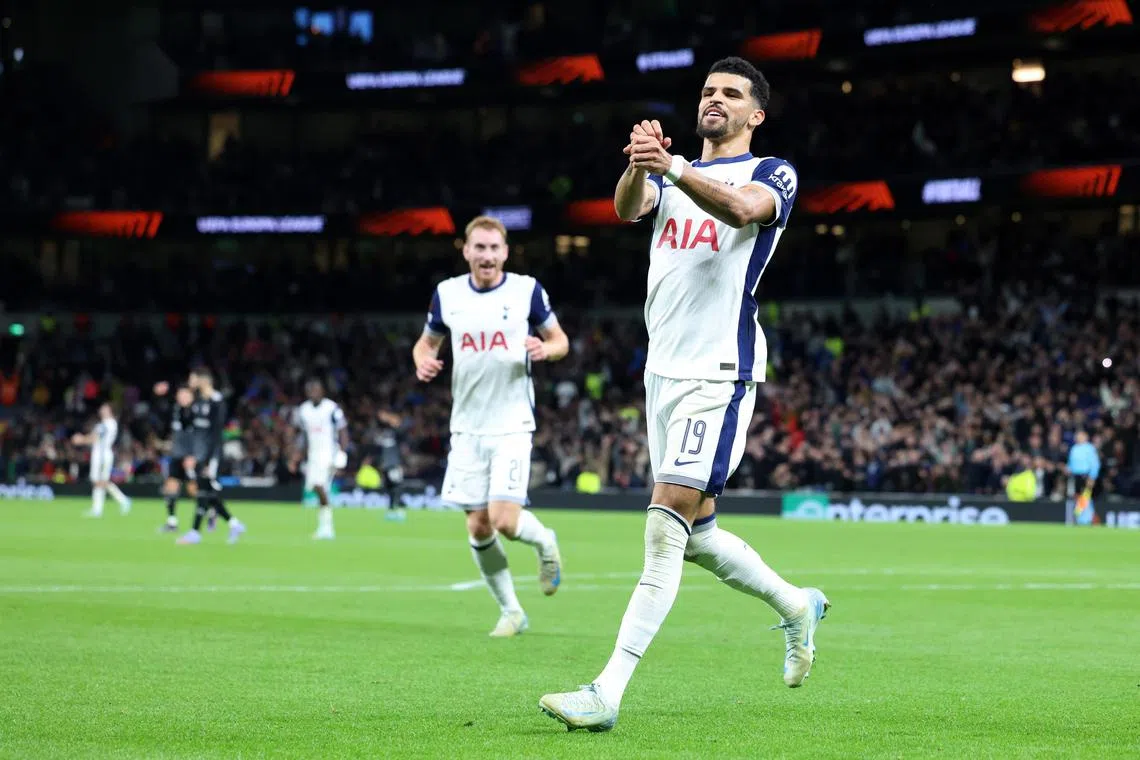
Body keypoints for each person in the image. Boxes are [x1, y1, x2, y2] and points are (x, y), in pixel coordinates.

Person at [540, 57, 829, 732]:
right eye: (707, 91)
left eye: (731, 94)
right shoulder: (674, 174)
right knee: (696, 535)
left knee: (663, 525)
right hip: (661, 371)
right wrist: (643, 162)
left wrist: (672, 168)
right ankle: (795, 606)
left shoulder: (770, 172)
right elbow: (626, 208)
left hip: (719, 371)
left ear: (755, 114)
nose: (715, 100)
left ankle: (606, 692)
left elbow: (744, 210)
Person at [412, 215, 569, 637]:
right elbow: (426, 342)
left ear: (505, 252)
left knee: (502, 519)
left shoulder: (526, 291)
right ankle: (512, 612)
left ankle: (545, 541)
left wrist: (545, 349)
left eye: (494, 248)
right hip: (466, 426)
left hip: (512, 423)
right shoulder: (447, 294)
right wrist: (422, 361)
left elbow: (560, 340)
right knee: (477, 525)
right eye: (478, 248)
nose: (486, 256)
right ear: (465, 250)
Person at [177, 368, 246, 545]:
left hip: (211, 455)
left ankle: (195, 532)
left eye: (193, 379)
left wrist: (207, 459)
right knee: (207, 493)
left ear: (203, 380)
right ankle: (234, 524)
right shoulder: (197, 401)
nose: (191, 382)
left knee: (203, 492)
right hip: (199, 453)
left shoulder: (217, 401)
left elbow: (216, 433)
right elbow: (191, 428)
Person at [293, 378, 349, 540]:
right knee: (316, 489)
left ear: (322, 391)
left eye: (317, 390)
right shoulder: (304, 410)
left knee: (319, 486)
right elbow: (304, 435)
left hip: (328, 453)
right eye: (311, 391)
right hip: (313, 455)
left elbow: (343, 430)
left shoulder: (331, 408)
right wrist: (299, 455)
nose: (314, 393)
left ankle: (327, 527)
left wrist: (342, 453)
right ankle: (324, 526)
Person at [72, 403, 132, 518]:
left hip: (102, 455)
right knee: (97, 481)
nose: (101, 410)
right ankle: (97, 509)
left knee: (101, 481)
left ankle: (122, 500)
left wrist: (81, 439)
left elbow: (95, 438)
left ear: (110, 410)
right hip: (98, 454)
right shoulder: (104, 424)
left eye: (104, 409)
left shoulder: (109, 423)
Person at [153, 383, 197, 533]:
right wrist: (160, 396)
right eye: (180, 395)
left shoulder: (195, 412)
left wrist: (194, 455)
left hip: (191, 457)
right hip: (177, 455)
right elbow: (161, 412)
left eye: (186, 395)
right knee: (170, 487)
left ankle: (211, 511)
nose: (182, 398)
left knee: (193, 490)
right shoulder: (175, 411)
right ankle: (172, 522)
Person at [376, 409, 407, 522]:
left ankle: (398, 508)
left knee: (397, 485)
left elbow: (401, 431)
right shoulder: (383, 432)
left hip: (394, 463)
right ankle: (391, 509)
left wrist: (390, 419)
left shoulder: (397, 432)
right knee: (388, 487)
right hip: (385, 465)